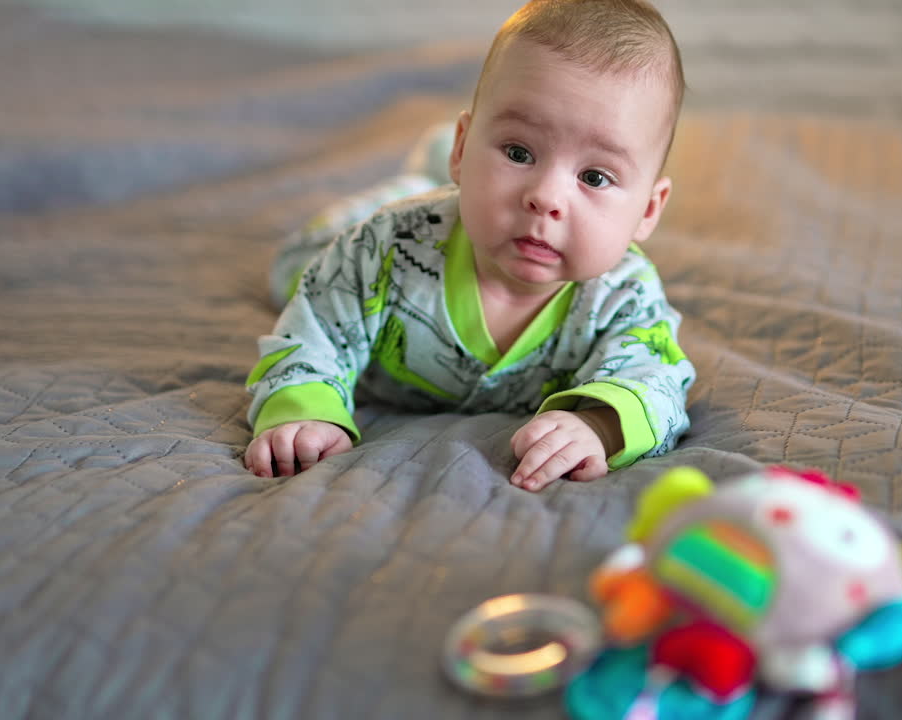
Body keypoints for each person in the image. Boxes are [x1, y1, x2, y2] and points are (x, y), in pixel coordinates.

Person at [243, 0, 693, 492]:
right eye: (519, 153)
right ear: (464, 148)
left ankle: (438, 172)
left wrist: (601, 426)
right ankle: (415, 182)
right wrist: (305, 410)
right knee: (289, 274)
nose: (545, 197)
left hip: (457, 198)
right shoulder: (385, 247)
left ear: (649, 209)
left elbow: (659, 383)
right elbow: (314, 333)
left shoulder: (624, 296)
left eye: (595, 176)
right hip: (389, 226)